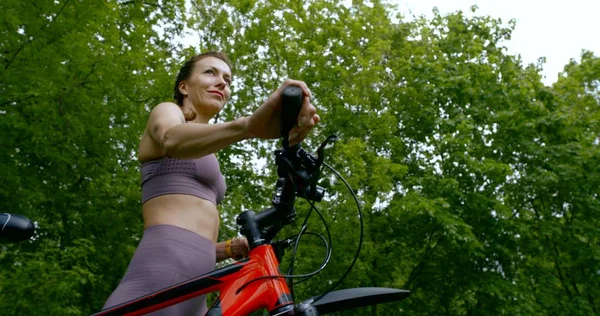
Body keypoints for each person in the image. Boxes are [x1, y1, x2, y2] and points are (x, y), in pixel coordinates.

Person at [102, 51, 319, 314]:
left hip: (198, 291)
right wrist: (248, 126)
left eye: (227, 80)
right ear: (184, 87)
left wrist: (228, 248)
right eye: (210, 73)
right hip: (160, 276)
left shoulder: (209, 146)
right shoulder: (168, 112)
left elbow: (191, 233)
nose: (222, 83)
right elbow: (172, 138)